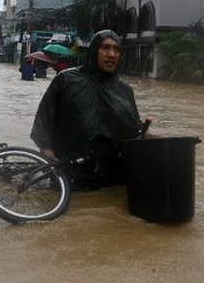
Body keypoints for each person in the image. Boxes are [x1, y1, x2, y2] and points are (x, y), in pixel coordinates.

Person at [30, 29, 143, 190]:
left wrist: (146, 135)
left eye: (116, 49)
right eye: (105, 48)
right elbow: (45, 116)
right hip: (69, 170)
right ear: (93, 51)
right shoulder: (67, 80)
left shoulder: (124, 90)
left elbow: (133, 127)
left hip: (111, 175)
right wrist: (46, 148)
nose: (111, 54)